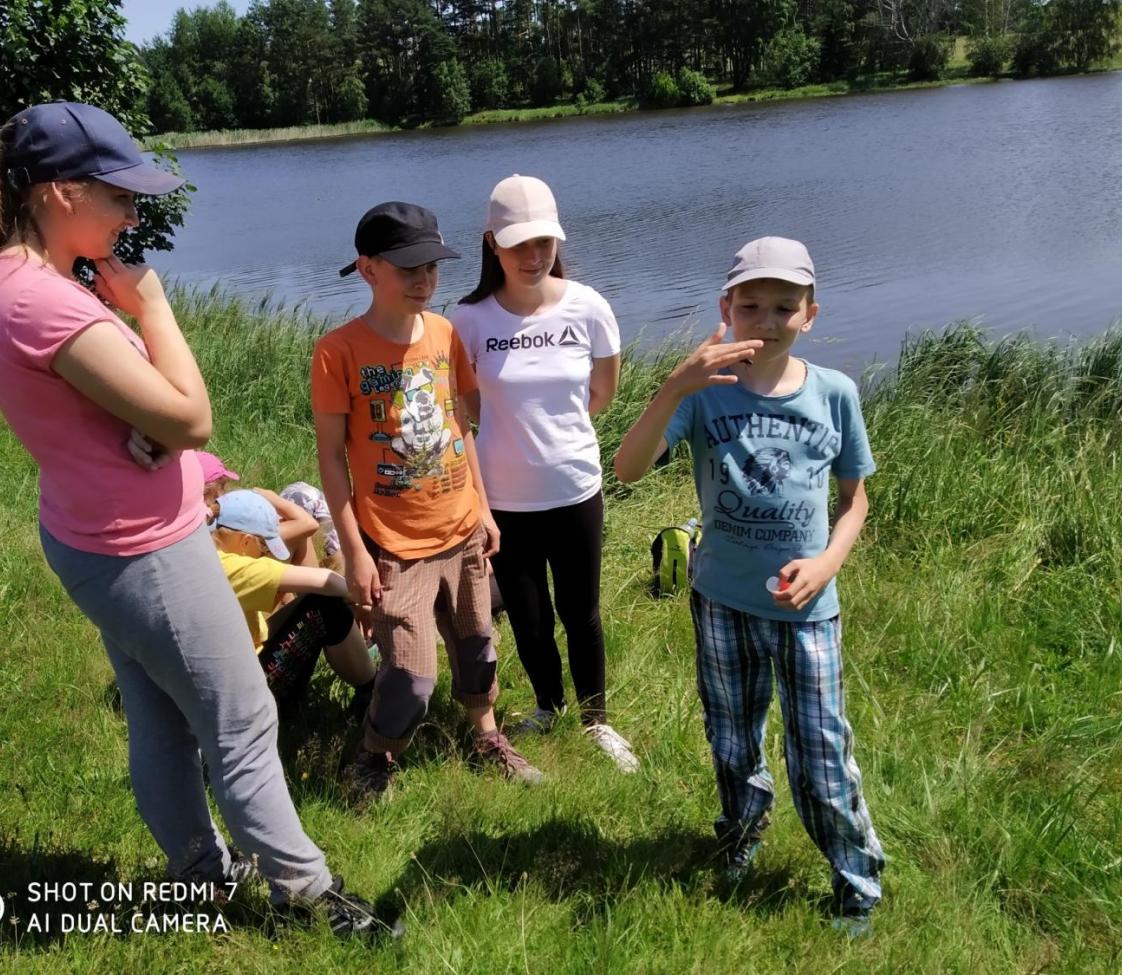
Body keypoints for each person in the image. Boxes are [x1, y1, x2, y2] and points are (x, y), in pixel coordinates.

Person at [0, 101, 393, 939]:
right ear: (58, 194)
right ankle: (306, 895)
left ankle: (202, 873)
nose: (132, 215)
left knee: (160, 714)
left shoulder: (14, 281)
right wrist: (152, 304)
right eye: (119, 197)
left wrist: (156, 433)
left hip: (94, 531)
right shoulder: (48, 303)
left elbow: (120, 413)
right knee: (240, 718)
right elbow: (192, 416)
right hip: (142, 551)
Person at [613, 237, 886, 934]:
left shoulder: (835, 393)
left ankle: (856, 882)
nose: (765, 320)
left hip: (808, 610)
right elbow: (629, 469)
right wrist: (677, 383)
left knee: (821, 750)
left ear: (811, 314)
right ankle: (742, 834)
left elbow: (855, 500)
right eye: (750, 305)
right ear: (725, 309)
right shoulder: (705, 396)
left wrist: (826, 563)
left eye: (783, 307)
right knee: (732, 739)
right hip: (722, 604)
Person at [312, 201, 543, 803]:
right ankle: (374, 757)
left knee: (476, 644)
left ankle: (487, 737)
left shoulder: (443, 333)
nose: (424, 281)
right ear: (368, 269)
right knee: (413, 676)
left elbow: (461, 426)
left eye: (433, 268)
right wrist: (355, 552)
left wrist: (485, 510)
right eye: (409, 268)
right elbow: (331, 460)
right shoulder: (338, 352)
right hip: (394, 544)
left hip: (462, 528)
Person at [452, 174, 638, 772]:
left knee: (580, 611)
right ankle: (547, 705)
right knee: (529, 617)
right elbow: (469, 408)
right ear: (491, 243)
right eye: (518, 244)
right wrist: (513, 434)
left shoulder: (589, 305)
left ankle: (595, 719)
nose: (533, 257)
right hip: (505, 497)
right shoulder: (469, 319)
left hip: (575, 487)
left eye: (544, 243)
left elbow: (603, 392)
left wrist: (552, 435)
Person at [211, 489, 376, 709]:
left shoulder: (207, 553)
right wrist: (367, 599)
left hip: (221, 681)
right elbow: (326, 581)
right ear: (245, 542)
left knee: (319, 601)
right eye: (263, 549)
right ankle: (372, 692)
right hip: (243, 696)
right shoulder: (235, 568)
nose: (266, 556)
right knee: (327, 606)